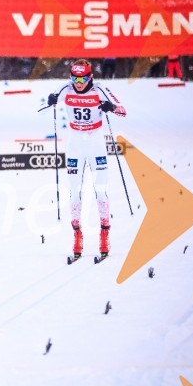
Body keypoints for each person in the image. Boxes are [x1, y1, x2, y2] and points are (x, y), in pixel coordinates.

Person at [47, 59, 127, 261]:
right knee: (74, 191)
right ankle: (77, 236)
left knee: (100, 190)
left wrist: (110, 107)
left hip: (95, 142)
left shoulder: (99, 89)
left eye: (82, 79)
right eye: (75, 78)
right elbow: (48, 102)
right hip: (75, 144)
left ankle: (104, 235)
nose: (78, 83)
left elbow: (123, 110)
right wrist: (51, 100)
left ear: (90, 77)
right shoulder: (66, 88)